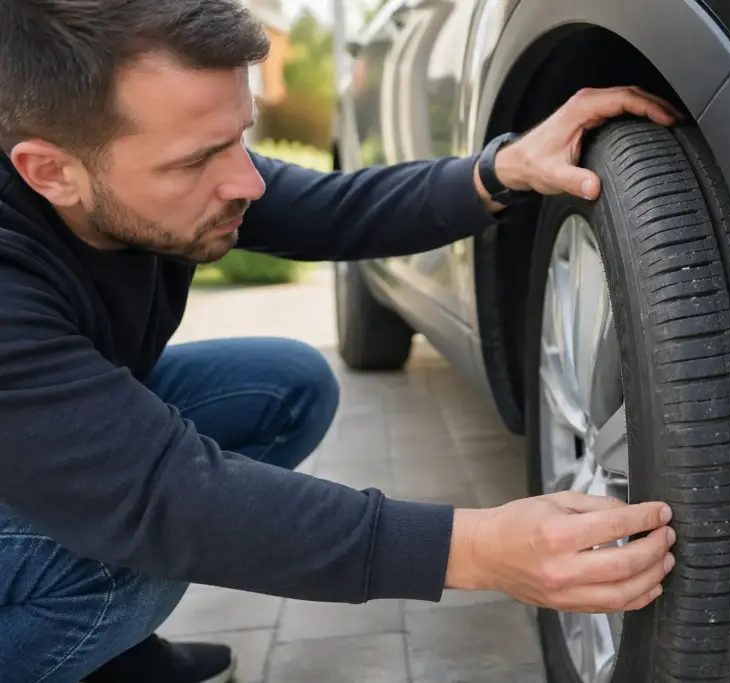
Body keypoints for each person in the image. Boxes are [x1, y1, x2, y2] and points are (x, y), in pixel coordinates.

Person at [0, 1, 683, 682]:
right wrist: (477, 549)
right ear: (50, 172)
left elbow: (333, 207)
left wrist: (500, 170)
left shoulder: (123, 164)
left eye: (239, 136)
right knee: (137, 563)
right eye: (196, 162)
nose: (247, 180)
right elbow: (167, 497)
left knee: (284, 387)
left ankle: (102, 648)